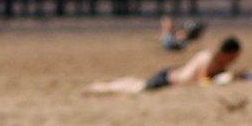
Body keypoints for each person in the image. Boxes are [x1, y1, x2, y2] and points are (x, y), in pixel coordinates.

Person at [86, 37, 243, 95]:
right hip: (169, 80)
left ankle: (108, 84)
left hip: (171, 76)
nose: (235, 60)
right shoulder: (208, 58)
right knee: (137, 88)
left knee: (138, 84)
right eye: (235, 56)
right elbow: (203, 81)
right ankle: (100, 87)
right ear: (228, 53)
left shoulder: (219, 62)